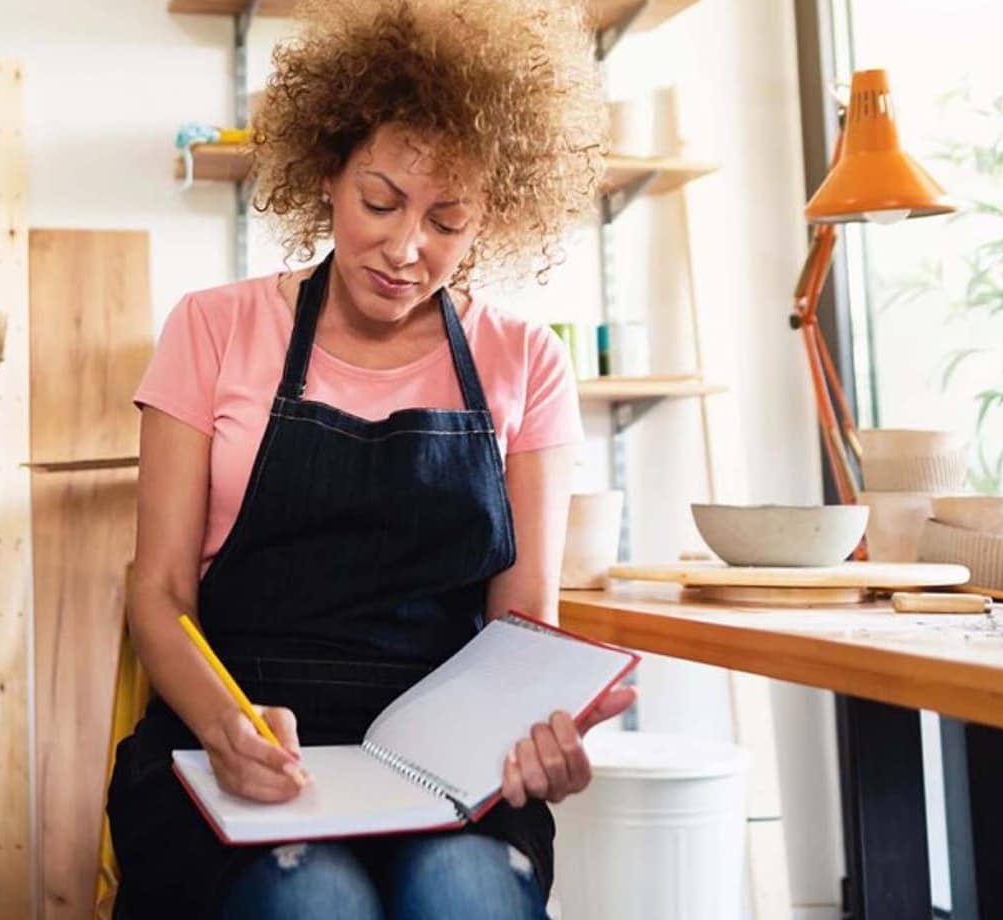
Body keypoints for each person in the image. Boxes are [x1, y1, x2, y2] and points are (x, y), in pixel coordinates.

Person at [104, 0, 634, 917]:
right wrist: (227, 727)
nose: (405, 248)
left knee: (467, 890)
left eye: (448, 220)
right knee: (316, 896)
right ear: (328, 173)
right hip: (248, 732)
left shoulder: (526, 362)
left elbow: (521, 635)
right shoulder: (214, 329)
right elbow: (158, 594)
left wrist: (546, 737)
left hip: (451, 762)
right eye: (380, 201)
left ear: (492, 218)